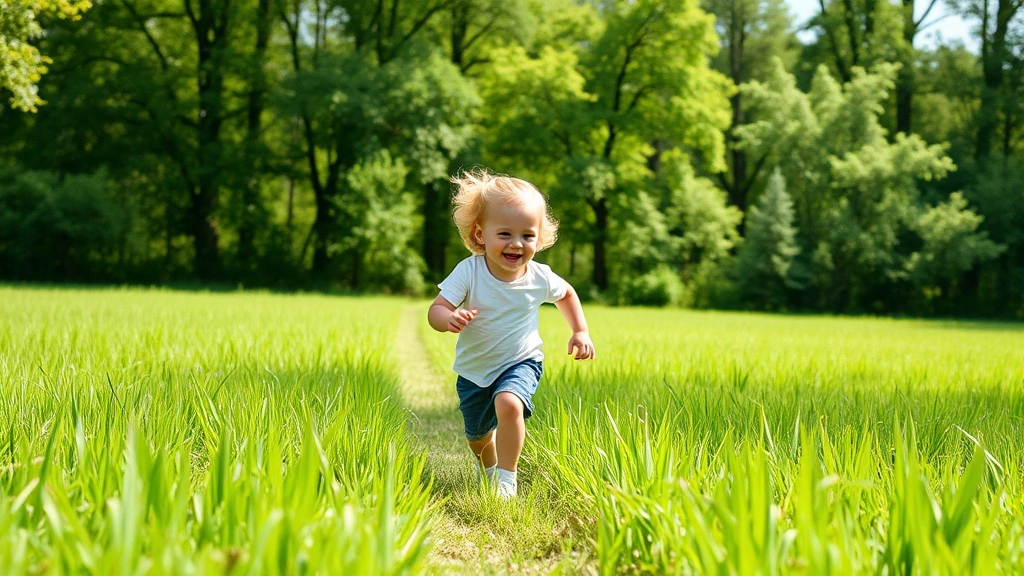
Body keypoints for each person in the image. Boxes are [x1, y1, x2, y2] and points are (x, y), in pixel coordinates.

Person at [427, 168, 596, 499]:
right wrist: (449, 318)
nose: (516, 244)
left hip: (521, 360)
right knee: (477, 436)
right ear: (480, 234)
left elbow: (566, 294)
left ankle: (507, 480)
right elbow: (436, 309)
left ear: (539, 237)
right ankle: (488, 468)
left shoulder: (538, 276)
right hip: (475, 370)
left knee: (509, 404)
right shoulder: (470, 271)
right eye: (504, 233)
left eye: (527, 235)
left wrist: (580, 330)